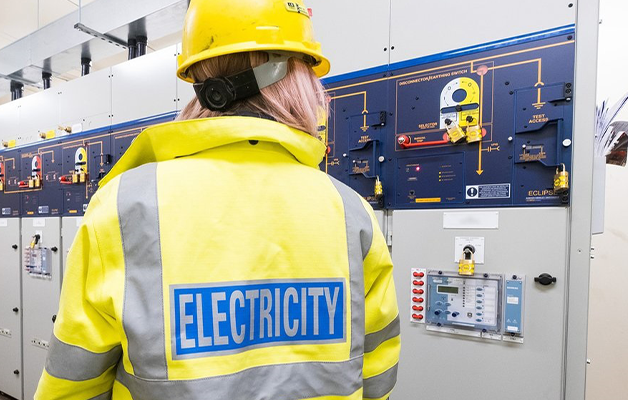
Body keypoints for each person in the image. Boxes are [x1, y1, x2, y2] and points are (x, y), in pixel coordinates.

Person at [35, 0, 399, 398]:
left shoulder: (124, 207)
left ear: (205, 85)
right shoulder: (351, 212)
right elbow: (377, 373)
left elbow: (74, 382)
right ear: (296, 79)